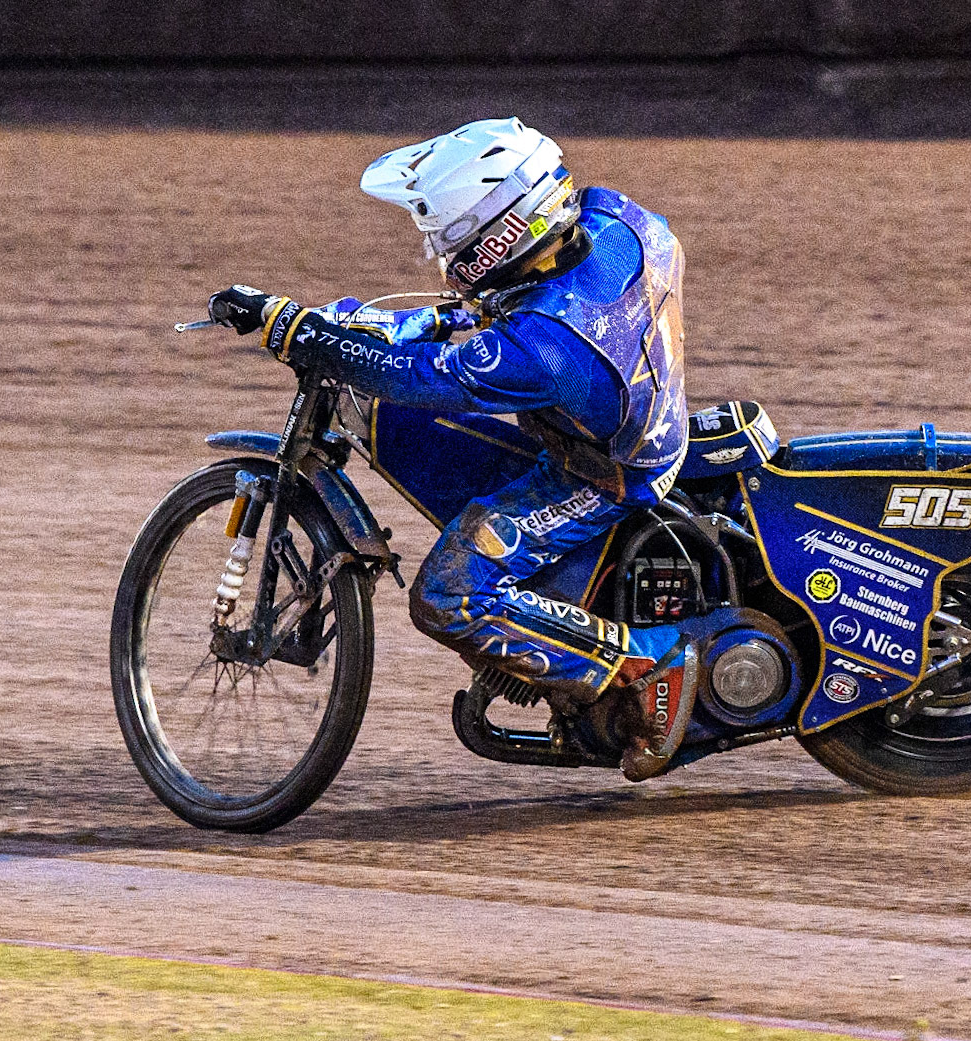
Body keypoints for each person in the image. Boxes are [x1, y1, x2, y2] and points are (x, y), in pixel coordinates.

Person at [206, 118, 695, 781]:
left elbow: (421, 377)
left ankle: (640, 663)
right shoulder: (617, 220)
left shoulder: (541, 349)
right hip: (630, 410)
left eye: (446, 232)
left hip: (602, 474)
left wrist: (302, 334)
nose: (437, 246)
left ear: (495, 231)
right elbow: (484, 315)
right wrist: (330, 320)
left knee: (448, 593)